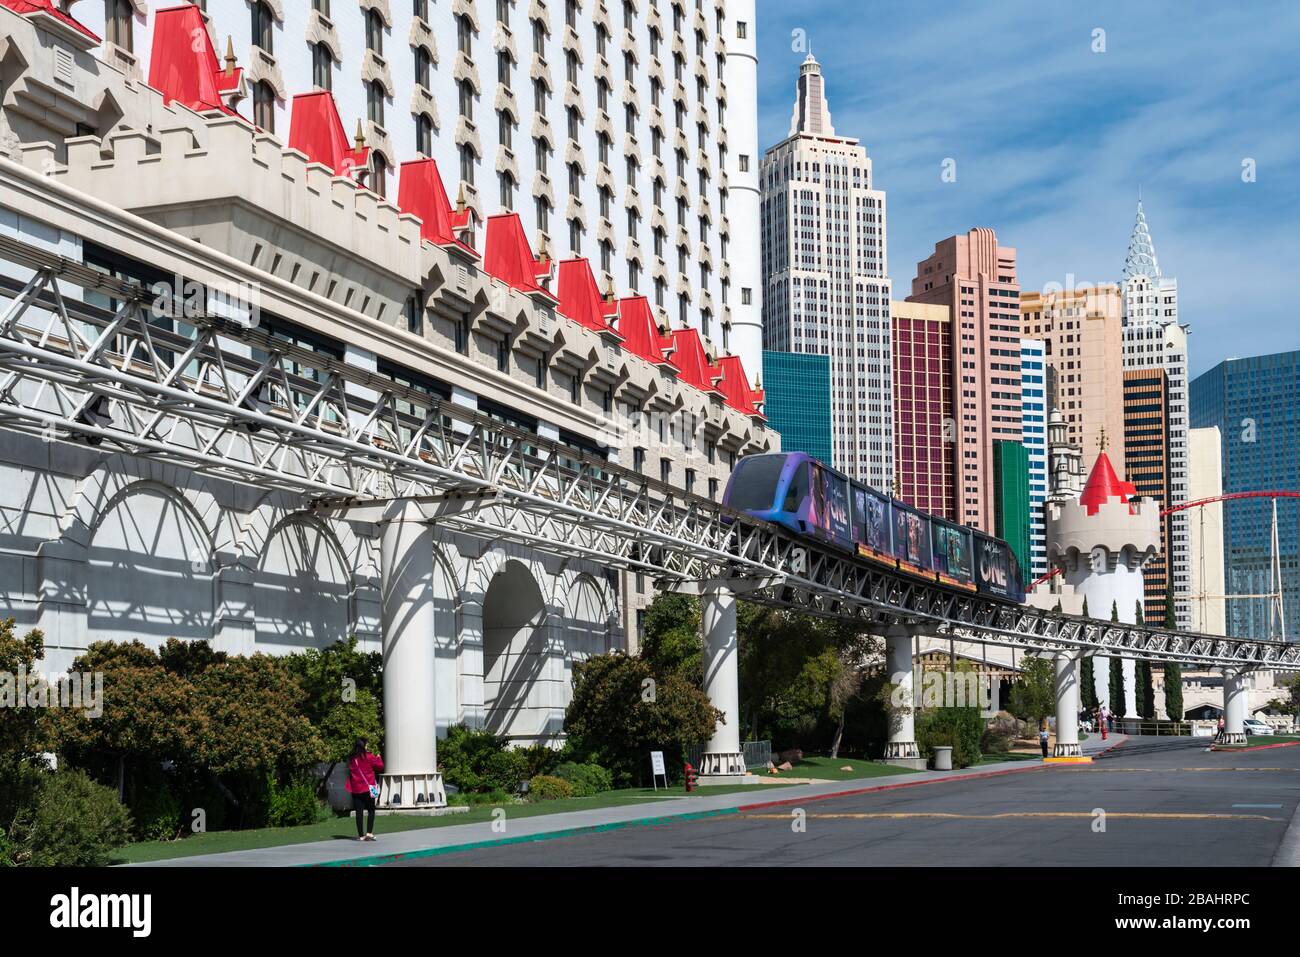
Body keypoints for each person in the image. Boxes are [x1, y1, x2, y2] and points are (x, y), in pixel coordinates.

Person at [346, 738, 384, 842]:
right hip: (369, 788)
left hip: (356, 789)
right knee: (371, 810)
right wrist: (379, 757)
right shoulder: (369, 756)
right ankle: (369, 833)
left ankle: (361, 836)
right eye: (367, 744)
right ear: (364, 745)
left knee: (359, 812)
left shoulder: (351, 758)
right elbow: (380, 767)